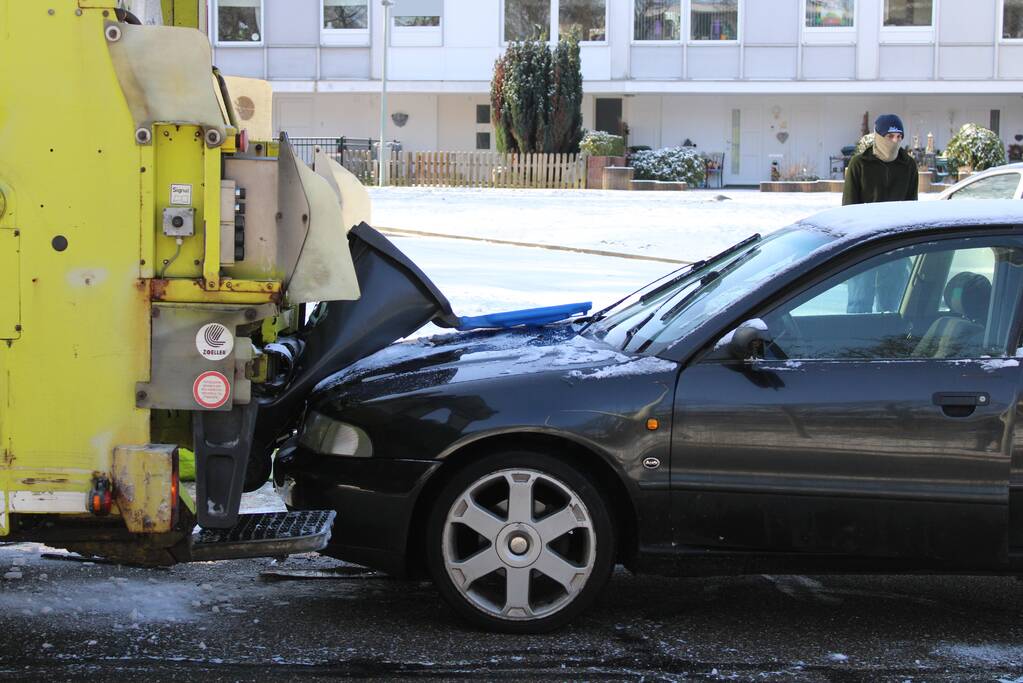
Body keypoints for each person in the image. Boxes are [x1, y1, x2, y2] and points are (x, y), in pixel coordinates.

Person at [843, 114, 918, 313]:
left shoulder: (908, 165)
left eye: (899, 137)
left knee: (890, 306)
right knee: (859, 303)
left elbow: (912, 206)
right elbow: (849, 208)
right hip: (864, 243)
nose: (894, 141)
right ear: (878, 136)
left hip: (896, 245)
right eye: (890, 136)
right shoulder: (859, 164)